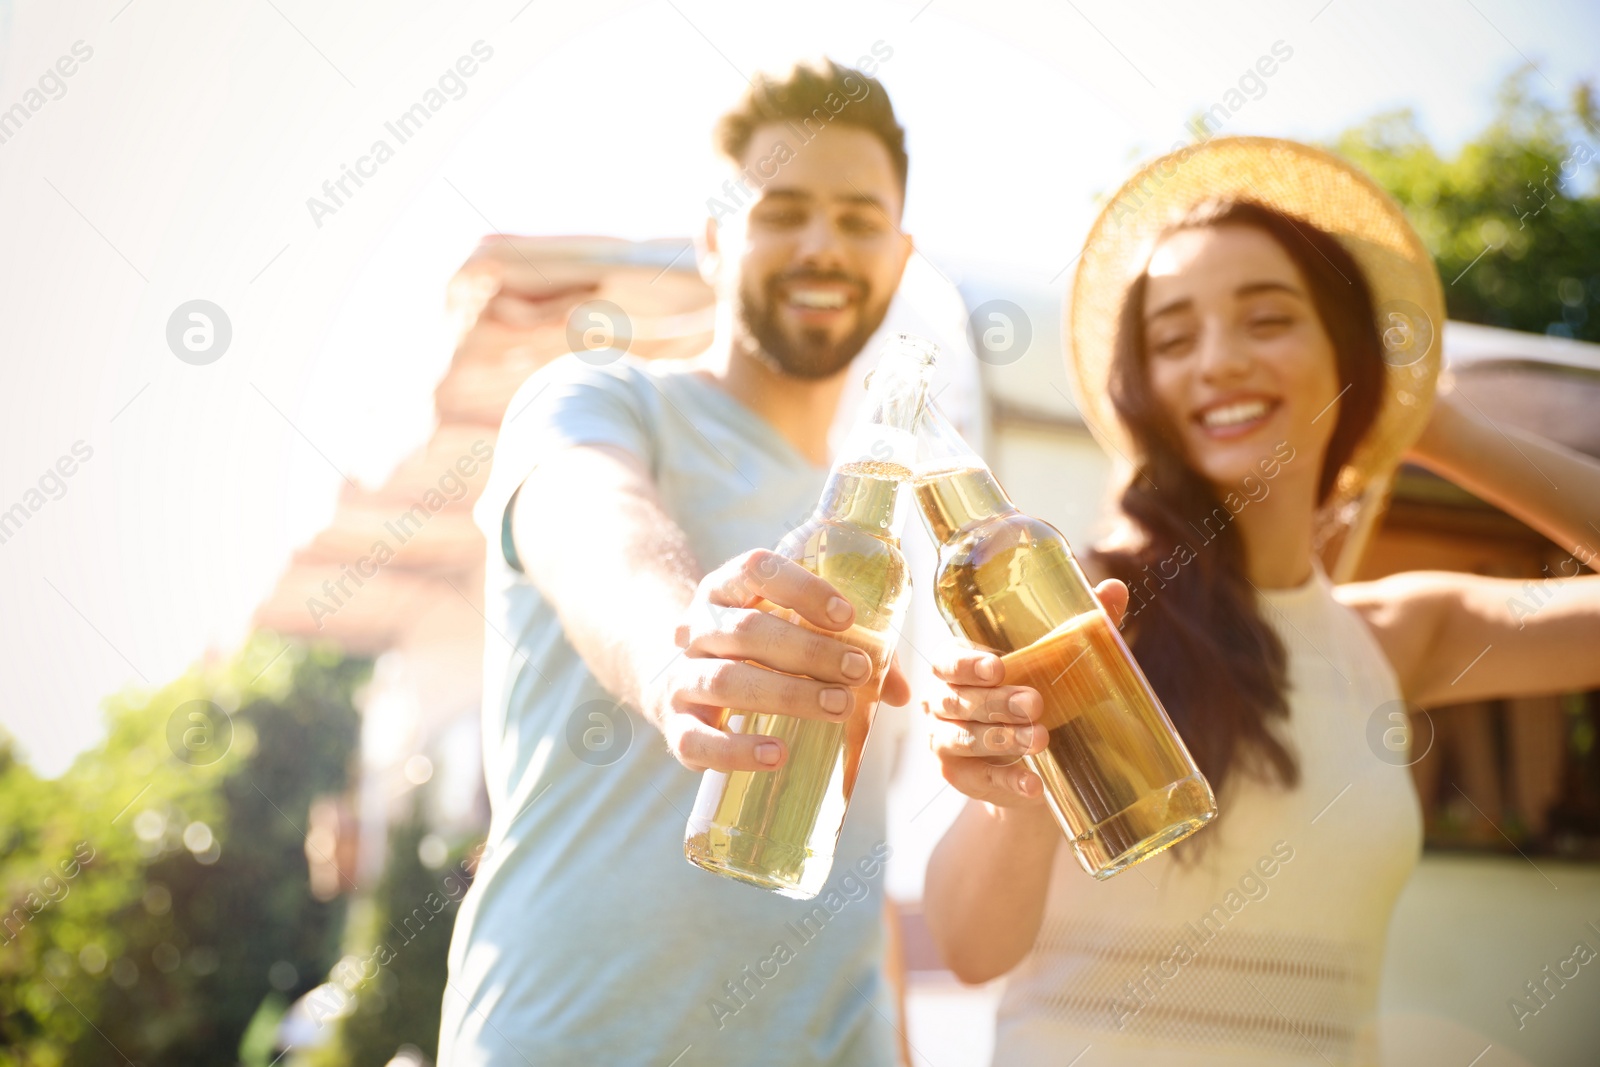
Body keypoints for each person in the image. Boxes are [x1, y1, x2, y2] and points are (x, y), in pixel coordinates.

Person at [918, 137, 1600, 1066]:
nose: (1218, 361)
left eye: (1267, 319)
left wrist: (1435, 428)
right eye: (1173, 337)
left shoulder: (1401, 637)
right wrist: (1017, 788)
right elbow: (969, 949)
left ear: (1347, 353)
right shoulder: (1081, 611)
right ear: (1146, 386)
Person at [439, 58, 958, 1065]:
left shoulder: (897, 523)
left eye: (858, 219)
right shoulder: (597, 398)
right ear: (717, 239)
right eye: (784, 210)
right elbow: (594, 523)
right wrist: (679, 653)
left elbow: (855, 848)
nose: (822, 245)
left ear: (898, 257)